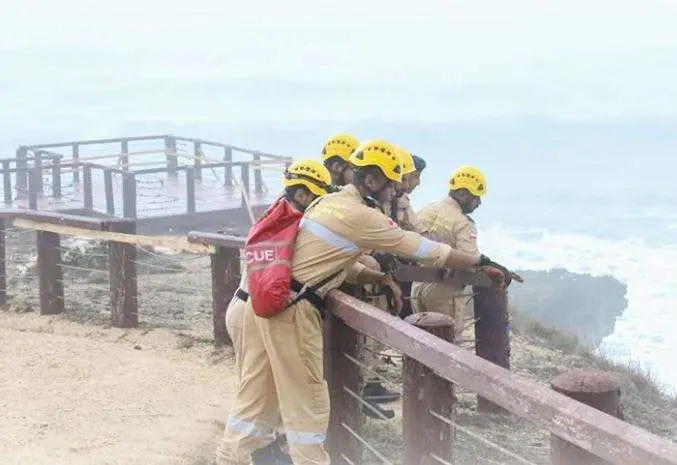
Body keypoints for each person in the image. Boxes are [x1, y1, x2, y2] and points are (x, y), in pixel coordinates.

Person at [216, 142, 507, 465]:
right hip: (294, 312)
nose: (394, 193)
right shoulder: (363, 217)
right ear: (373, 181)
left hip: (270, 304)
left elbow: (333, 260)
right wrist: (481, 261)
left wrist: (379, 279)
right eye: (392, 185)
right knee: (308, 401)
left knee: (256, 395)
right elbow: (423, 248)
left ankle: (230, 457)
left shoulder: (327, 203)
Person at [410, 164, 487, 339]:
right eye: (476, 197)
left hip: (417, 286)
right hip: (444, 290)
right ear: (462, 193)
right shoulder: (463, 223)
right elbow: (470, 261)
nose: (478, 203)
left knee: (421, 341)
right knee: (447, 343)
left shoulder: (425, 210)